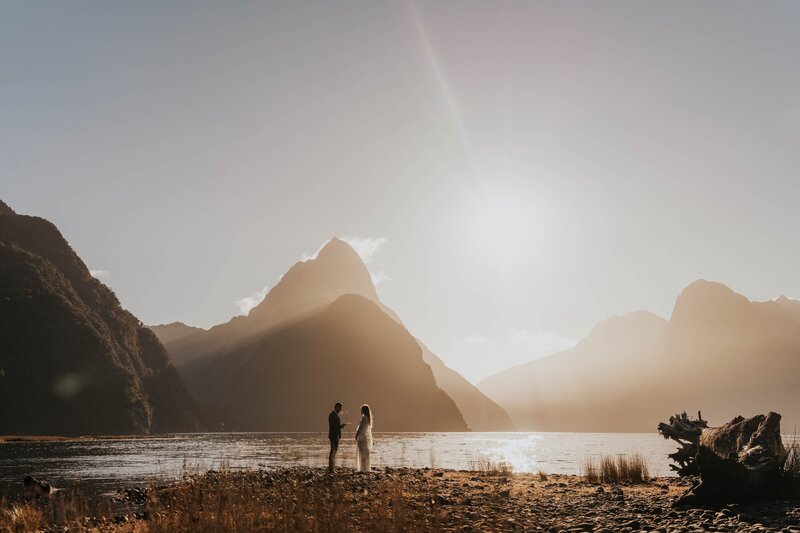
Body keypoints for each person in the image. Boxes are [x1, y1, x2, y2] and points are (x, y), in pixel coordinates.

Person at [328, 402, 347, 472]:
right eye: (340, 408)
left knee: (334, 451)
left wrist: (341, 426)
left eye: (341, 408)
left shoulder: (335, 415)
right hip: (333, 436)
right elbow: (333, 426)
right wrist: (341, 426)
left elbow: (335, 426)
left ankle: (332, 466)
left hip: (336, 436)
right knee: (333, 451)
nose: (341, 409)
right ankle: (331, 468)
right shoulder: (332, 415)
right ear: (336, 407)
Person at [355, 404, 373, 473]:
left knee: (362, 452)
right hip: (364, 437)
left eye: (361, 409)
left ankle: (362, 468)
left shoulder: (364, 418)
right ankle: (366, 467)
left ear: (364, 410)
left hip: (361, 437)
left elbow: (360, 428)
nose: (361, 410)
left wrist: (356, 435)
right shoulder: (368, 419)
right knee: (365, 452)